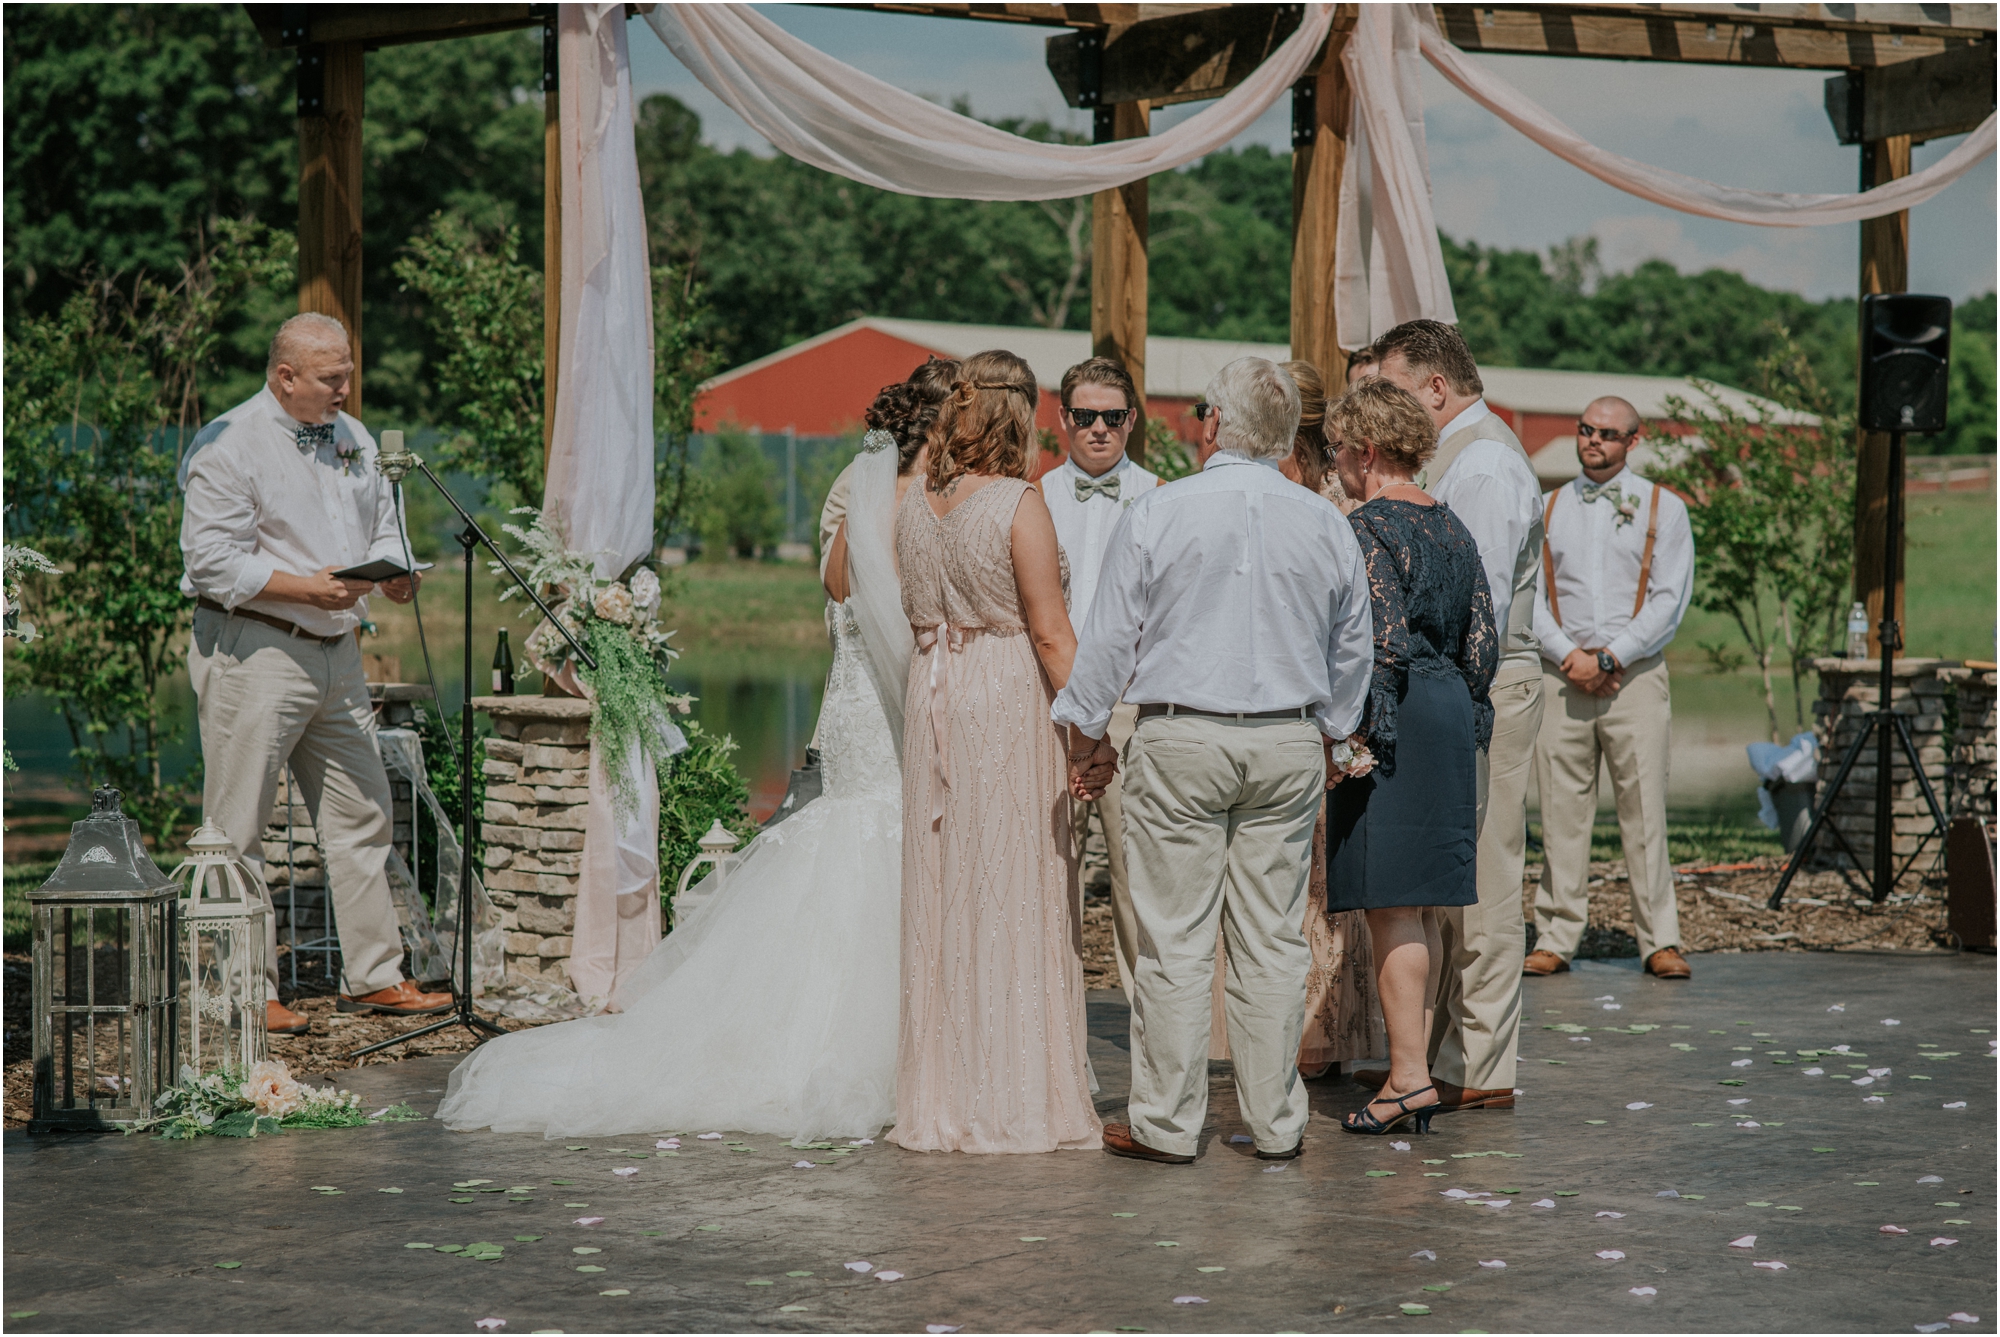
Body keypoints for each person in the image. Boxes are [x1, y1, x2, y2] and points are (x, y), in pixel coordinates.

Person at [437, 374, 930, 1140]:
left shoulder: (858, 500)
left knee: (852, 841)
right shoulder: (915, 502)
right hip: (891, 699)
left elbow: (836, 597)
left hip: (854, 696)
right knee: (880, 843)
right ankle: (882, 1055)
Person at [1055, 357, 1374, 1165]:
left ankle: (1166, 1120)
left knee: (1174, 937)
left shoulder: (1161, 510)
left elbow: (1110, 637)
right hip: (1287, 737)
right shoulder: (1324, 521)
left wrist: (1086, 732)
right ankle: (1276, 1122)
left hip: (1183, 734)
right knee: (1271, 938)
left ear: (1212, 425)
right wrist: (1336, 732)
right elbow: (1353, 648)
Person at [179, 312, 451, 1035]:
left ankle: (374, 976)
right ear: (285, 377)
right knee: (237, 827)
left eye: (349, 371)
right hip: (257, 648)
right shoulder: (228, 445)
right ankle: (244, 988)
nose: (346, 386)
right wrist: (307, 587)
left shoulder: (355, 437)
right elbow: (208, 561)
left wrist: (395, 573)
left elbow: (383, 523)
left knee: (363, 812)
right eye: (332, 376)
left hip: (338, 651)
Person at [892, 349, 1102, 1155]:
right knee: (1014, 884)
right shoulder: (1021, 502)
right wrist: (1091, 735)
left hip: (934, 689)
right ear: (1022, 414)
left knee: (945, 889)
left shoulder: (913, 501)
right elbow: (1051, 636)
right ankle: (1011, 1097)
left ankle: (938, 1095)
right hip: (1006, 697)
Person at [1367, 318, 1544, 1114]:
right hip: (1454, 684)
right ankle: (1436, 1054)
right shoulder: (1461, 457)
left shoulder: (1487, 469)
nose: (1382, 410)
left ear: (1436, 387)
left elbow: (1483, 607)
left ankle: (1481, 1062)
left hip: (1485, 683)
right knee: (1452, 873)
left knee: (1487, 875)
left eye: (1393, 390)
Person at [1323, 377, 1499, 1136]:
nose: (1333, 463)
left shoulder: (1367, 526)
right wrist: (1466, 714)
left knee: (1392, 904)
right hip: (1450, 709)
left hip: (1391, 713)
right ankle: (1416, 1072)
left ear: (1366, 450)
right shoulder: (1453, 524)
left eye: (1336, 449)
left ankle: (1404, 1079)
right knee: (1421, 905)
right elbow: (1482, 639)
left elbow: (1382, 642)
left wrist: (1359, 734)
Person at [1209, 359, 1381, 1081]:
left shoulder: (1270, 500)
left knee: (1271, 891)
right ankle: (1315, 1035)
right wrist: (1340, 726)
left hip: (1268, 712)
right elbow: (1355, 637)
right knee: (1311, 885)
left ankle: (1288, 1042)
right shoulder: (1336, 507)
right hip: (1315, 718)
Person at [1527, 395, 1696, 980]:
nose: (1594, 440)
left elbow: (1669, 600)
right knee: (1559, 811)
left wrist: (1610, 655)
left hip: (1636, 676)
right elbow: (1531, 596)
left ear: (1633, 441)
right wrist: (1571, 656)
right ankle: (1555, 933)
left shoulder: (1664, 507)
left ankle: (1659, 939)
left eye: (1608, 433)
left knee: (1644, 811)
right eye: (1585, 430)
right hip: (1563, 676)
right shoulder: (1546, 508)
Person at [1041, 356, 1159, 1003]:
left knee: (1133, 874)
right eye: (1084, 416)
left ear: (1131, 421)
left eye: (1111, 417)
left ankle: (1153, 1042)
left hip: (1129, 708)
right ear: (1063, 419)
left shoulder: (1162, 497)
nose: (1097, 429)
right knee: (1050, 869)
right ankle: (1054, 1034)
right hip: (1050, 704)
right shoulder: (1034, 496)